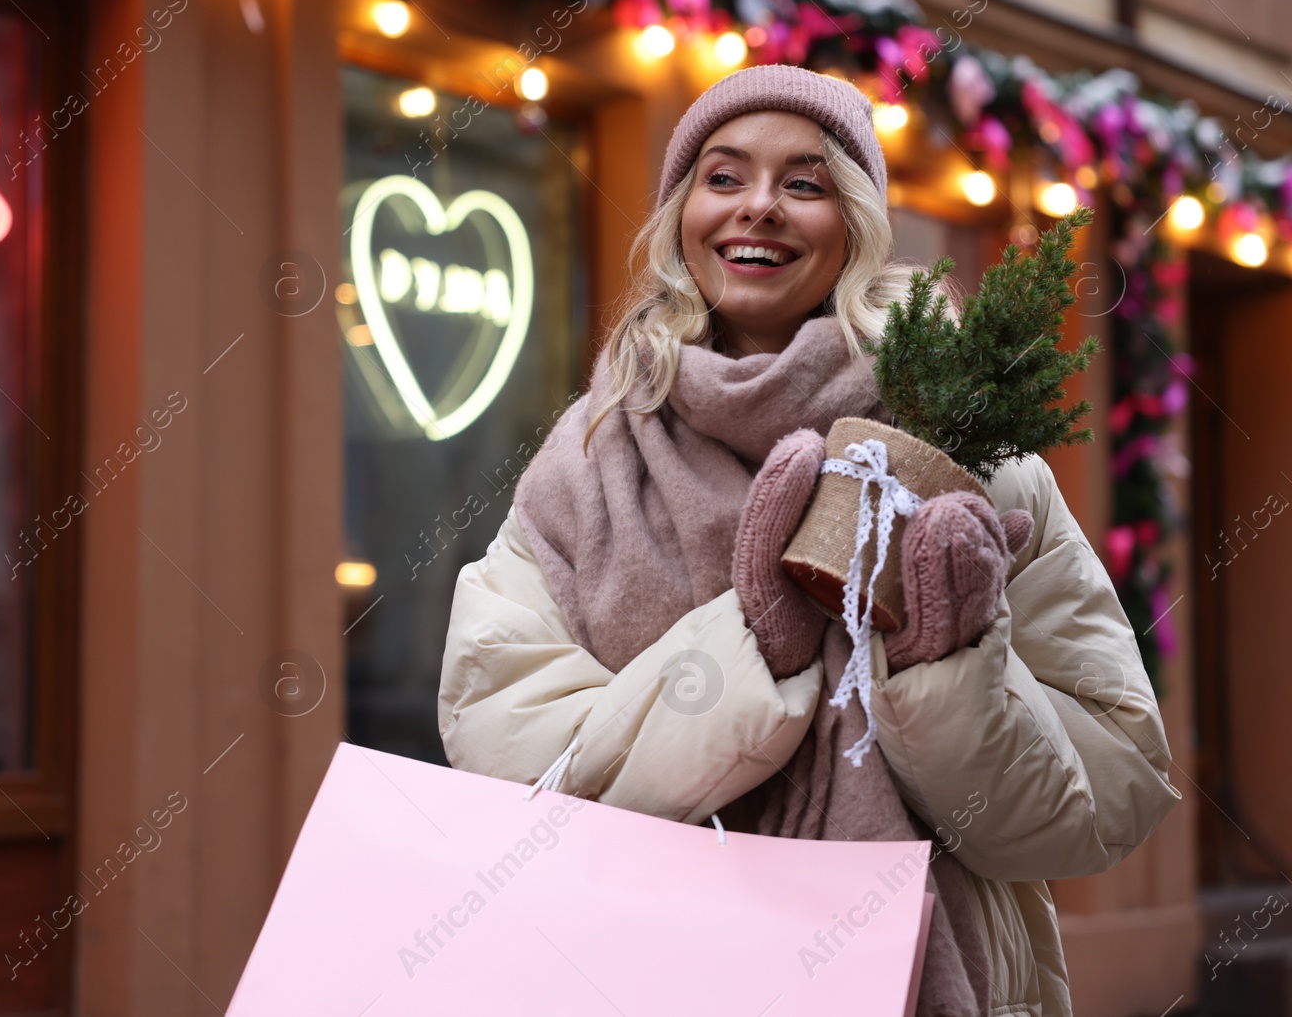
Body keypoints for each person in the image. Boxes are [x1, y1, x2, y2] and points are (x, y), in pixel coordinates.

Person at [437, 64, 1180, 1015]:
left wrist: (941, 667)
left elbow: (1106, 798)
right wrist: (751, 651)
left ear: (857, 224)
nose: (759, 208)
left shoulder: (971, 457)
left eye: (805, 183)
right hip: (651, 981)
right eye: (723, 176)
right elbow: (510, 756)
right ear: (681, 216)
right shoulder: (584, 463)